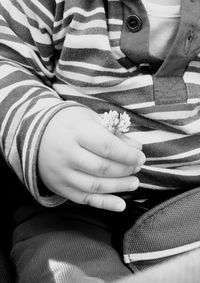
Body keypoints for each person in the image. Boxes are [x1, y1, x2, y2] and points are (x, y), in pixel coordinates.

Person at [1, 0, 200, 282]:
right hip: (69, 211)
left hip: (191, 202)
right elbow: (7, 61)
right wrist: (44, 126)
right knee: (61, 266)